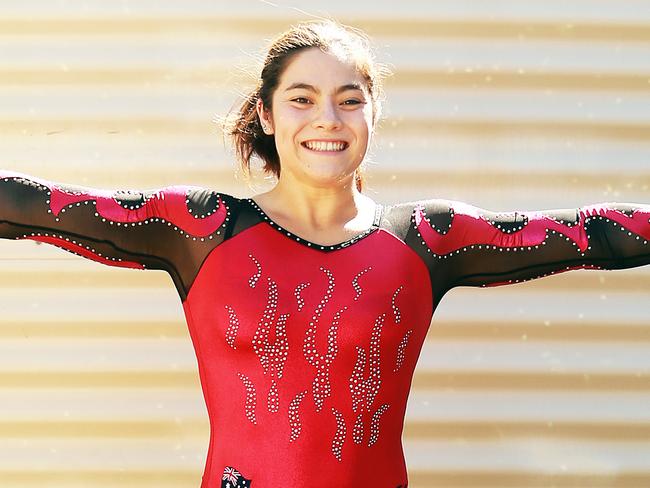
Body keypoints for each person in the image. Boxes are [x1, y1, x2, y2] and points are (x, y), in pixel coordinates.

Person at [1, 19, 649, 488]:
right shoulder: (204, 229)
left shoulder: (425, 239)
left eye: (350, 99)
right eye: (302, 99)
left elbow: (595, 232)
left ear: (373, 114)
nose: (327, 119)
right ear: (267, 113)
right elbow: (33, 204)